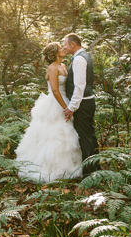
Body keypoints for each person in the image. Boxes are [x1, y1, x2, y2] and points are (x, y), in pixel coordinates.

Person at [15, 42, 82, 183]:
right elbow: (55, 90)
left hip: (66, 100)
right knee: (52, 135)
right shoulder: (52, 68)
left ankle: (68, 167)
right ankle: (48, 169)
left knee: (66, 133)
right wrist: (66, 108)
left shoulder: (63, 66)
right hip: (56, 103)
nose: (63, 49)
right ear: (55, 53)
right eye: (60, 48)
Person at [62, 33, 99, 176]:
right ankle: (94, 167)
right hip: (86, 102)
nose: (64, 47)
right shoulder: (83, 56)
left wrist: (72, 107)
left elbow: (79, 87)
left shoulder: (78, 60)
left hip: (83, 104)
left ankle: (90, 172)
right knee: (89, 135)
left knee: (85, 137)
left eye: (65, 44)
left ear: (73, 44)